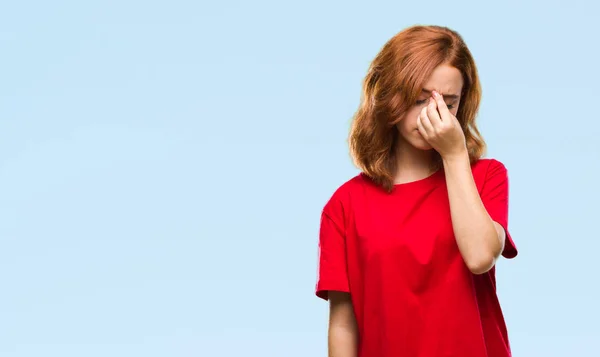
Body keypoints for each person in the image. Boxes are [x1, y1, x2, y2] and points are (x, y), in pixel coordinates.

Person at [314, 25, 518, 357]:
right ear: (388, 95)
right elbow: (342, 322)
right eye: (419, 99)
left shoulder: (486, 176)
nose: (432, 114)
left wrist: (454, 156)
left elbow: (481, 257)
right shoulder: (345, 205)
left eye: (448, 104)